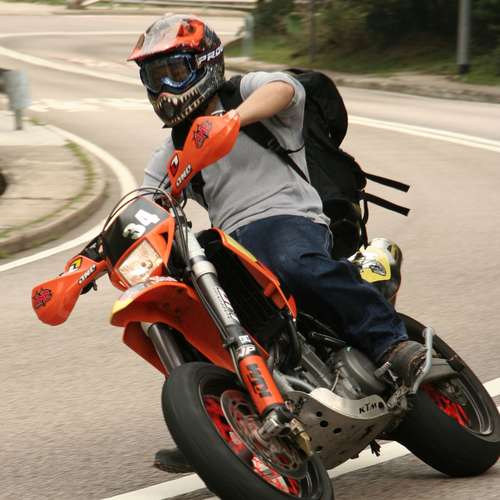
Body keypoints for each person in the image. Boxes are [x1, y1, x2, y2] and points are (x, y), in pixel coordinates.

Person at [129, 14, 426, 473]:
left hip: (289, 216)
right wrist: (91, 259)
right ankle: (214, 421)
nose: (166, 87)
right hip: (230, 244)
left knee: (290, 260)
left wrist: (233, 119)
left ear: (206, 63)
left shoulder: (243, 93)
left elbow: (285, 89)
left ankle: (391, 344)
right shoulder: (172, 148)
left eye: (175, 71)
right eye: (155, 76)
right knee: (180, 312)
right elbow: (145, 204)